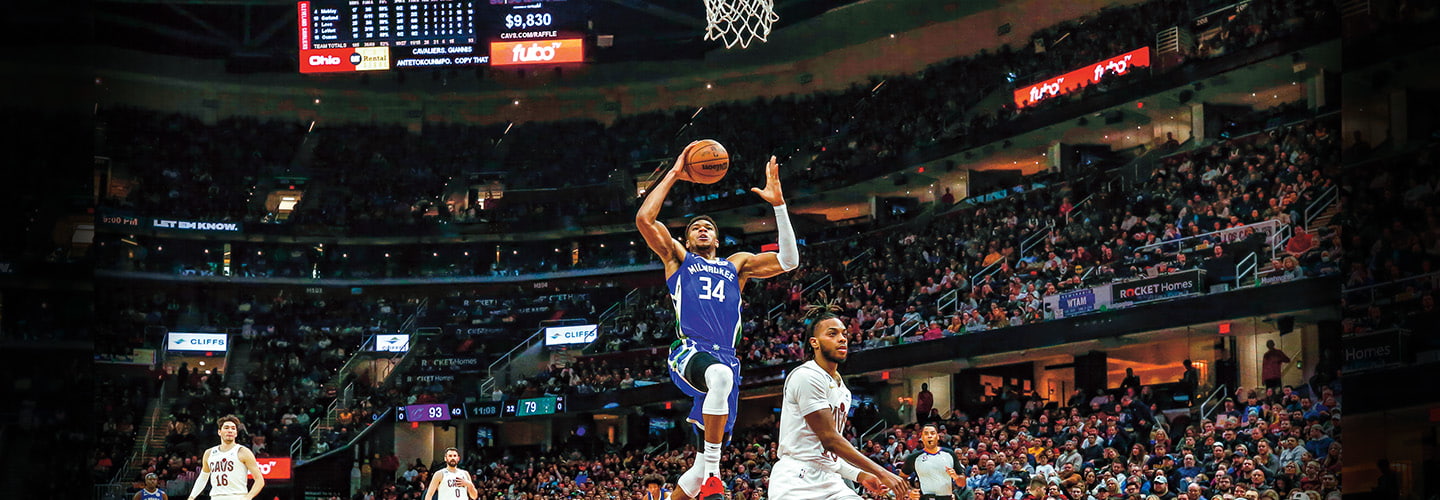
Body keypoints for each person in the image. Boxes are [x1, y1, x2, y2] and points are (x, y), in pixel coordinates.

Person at [637, 146, 800, 500]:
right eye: (695, 227)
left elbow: (789, 261)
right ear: (686, 239)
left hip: (726, 357)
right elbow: (645, 221)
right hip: (690, 350)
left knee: (697, 465)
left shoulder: (736, 265)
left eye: (708, 227)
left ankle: (705, 472)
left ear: (717, 239)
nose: (702, 229)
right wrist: (675, 174)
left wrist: (779, 205)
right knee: (719, 383)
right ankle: (715, 476)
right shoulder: (678, 259)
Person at [768, 307, 909, 500]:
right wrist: (881, 472)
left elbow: (825, 454)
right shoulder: (807, 376)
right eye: (832, 334)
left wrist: (859, 475)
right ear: (814, 342)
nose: (842, 339)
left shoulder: (842, 388)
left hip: (830, 480)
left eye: (844, 334)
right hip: (796, 480)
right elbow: (830, 439)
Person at [189, 415, 265, 500]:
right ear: (219, 432)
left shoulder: (243, 451)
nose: (230, 430)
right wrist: (192, 497)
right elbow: (203, 477)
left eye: (233, 428)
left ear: (236, 433)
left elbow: (259, 480)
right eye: (226, 428)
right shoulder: (209, 453)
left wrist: (248, 497)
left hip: (237, 496)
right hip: (216, 497)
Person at [902, 424, 968, 500]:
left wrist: (956, 477)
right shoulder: (913, 457)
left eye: (932, 433)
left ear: (937, 436)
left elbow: (962, 483)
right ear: (922, 437)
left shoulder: (949, 454)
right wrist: (909, 491)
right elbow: (902, 477)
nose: (929, 436)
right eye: (926, 433)